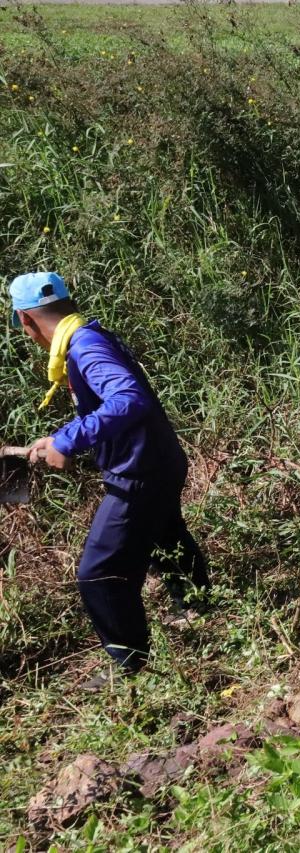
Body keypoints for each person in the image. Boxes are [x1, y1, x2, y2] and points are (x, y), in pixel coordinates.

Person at [9, 272, 209, 690]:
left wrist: (68, 439)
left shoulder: (84, 348)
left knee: (99, 572)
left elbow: (128, 398)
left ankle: (129, 664)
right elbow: (111, 405)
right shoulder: (86, 335)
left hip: (140, 473)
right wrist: (58, 438)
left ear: (25, 320)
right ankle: (199, 607)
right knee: (164, 534)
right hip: (159, 462)